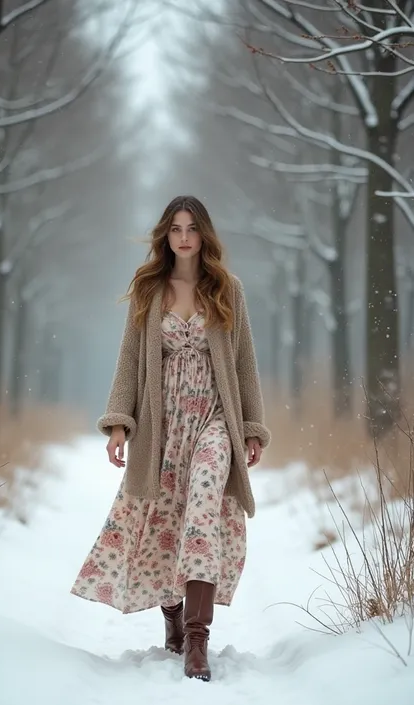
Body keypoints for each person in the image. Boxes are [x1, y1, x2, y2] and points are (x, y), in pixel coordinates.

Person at [71, 195, 271, 682]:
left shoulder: (227, 289)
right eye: (176, 228)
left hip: (214, 421)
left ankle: (198, 638)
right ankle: (173, 616)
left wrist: (250, 427)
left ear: (204, 234)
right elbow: (129, 361)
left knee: (202, 511)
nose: (184, 236)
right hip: (163, 425)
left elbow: (244, 361)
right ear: (166, 234)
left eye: (192, 228)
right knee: (165, 518)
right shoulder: (149, 289)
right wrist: (120, 422)